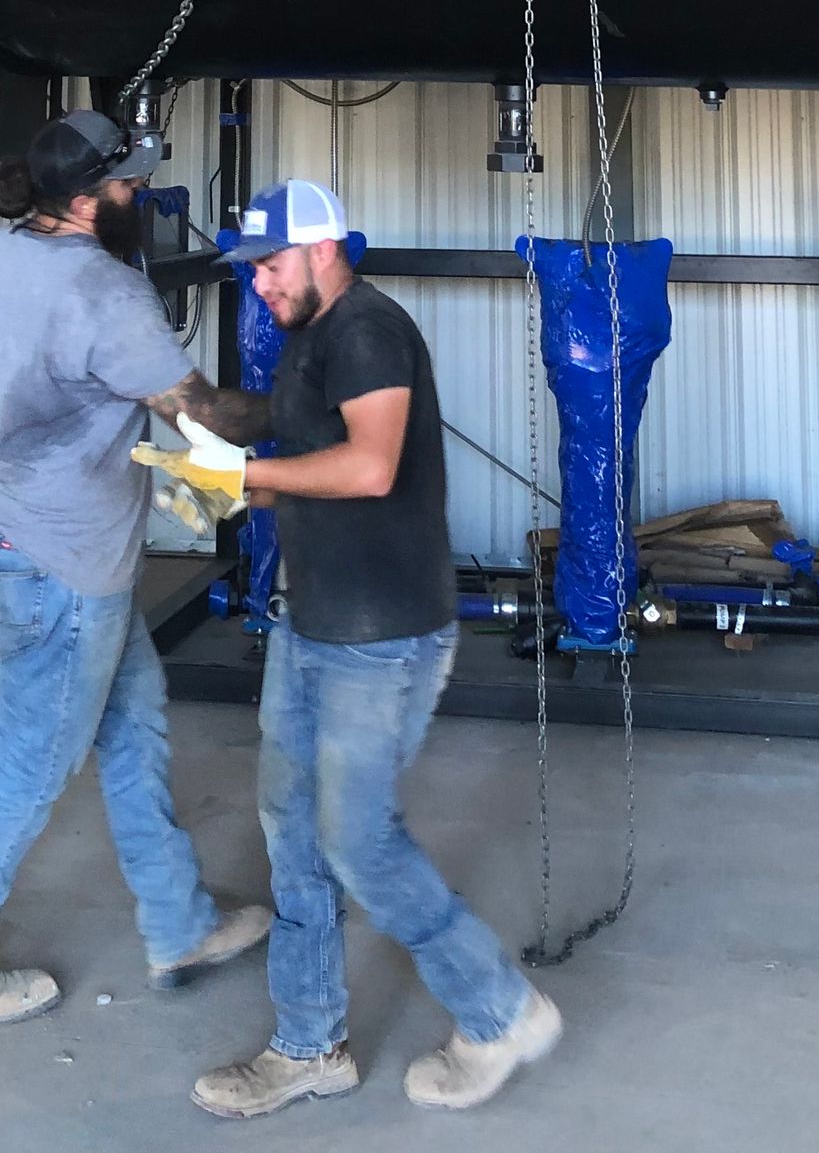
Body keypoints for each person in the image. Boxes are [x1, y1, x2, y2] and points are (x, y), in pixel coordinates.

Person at [0, 109, 274, 1036]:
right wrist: (315, 396)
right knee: (25, 771)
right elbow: (201, 412)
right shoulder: (103, 292)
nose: (142, 195)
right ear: (90, 200)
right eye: (131, 183)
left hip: (36, 551)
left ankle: (180, 926)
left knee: (134, 730)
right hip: (63, 575)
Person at [190, 180, 561, 1120]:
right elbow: (306, 449)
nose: (260, 284)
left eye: (270, 265)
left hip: (383, 637)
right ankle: (309, 1046)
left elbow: (370, 466)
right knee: (289, 826)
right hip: (312, 622)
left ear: (321, 250)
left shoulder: (368, 331)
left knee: (356, 841)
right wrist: (228, 483)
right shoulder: (309, 333)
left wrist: (246, 472)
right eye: (254, 271)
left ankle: (501, 1011)